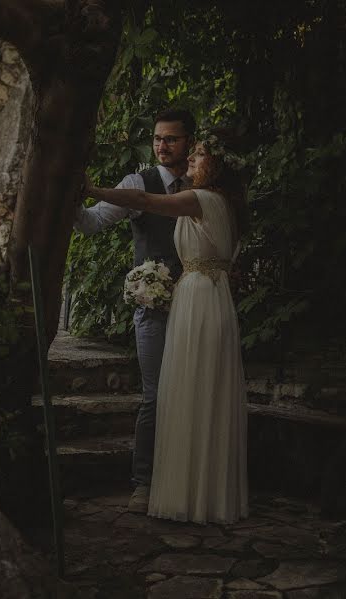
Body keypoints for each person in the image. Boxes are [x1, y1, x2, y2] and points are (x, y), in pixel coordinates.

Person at [81, 129, 249, 524]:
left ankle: (182, 491)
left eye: (199, 156)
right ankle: (205, 492)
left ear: (216, 168)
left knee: (186, 392)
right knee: (205, 393)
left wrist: (93, 189)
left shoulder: (200, 198)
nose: (190, 160)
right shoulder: (228, 204)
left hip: (196, 298)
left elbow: (142, 201)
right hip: (215, 297)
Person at [74, 108, 195, 513]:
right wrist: (72, 198)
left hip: (199, 304)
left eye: (172, 139)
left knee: (193, 392)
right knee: (155, 395)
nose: (162, 145)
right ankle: (143, 483)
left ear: (189, 143)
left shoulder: (201, 183)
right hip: (153, 307)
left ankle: (187, 479)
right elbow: (91, 223)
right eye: (158, 138)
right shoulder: (135, 184)